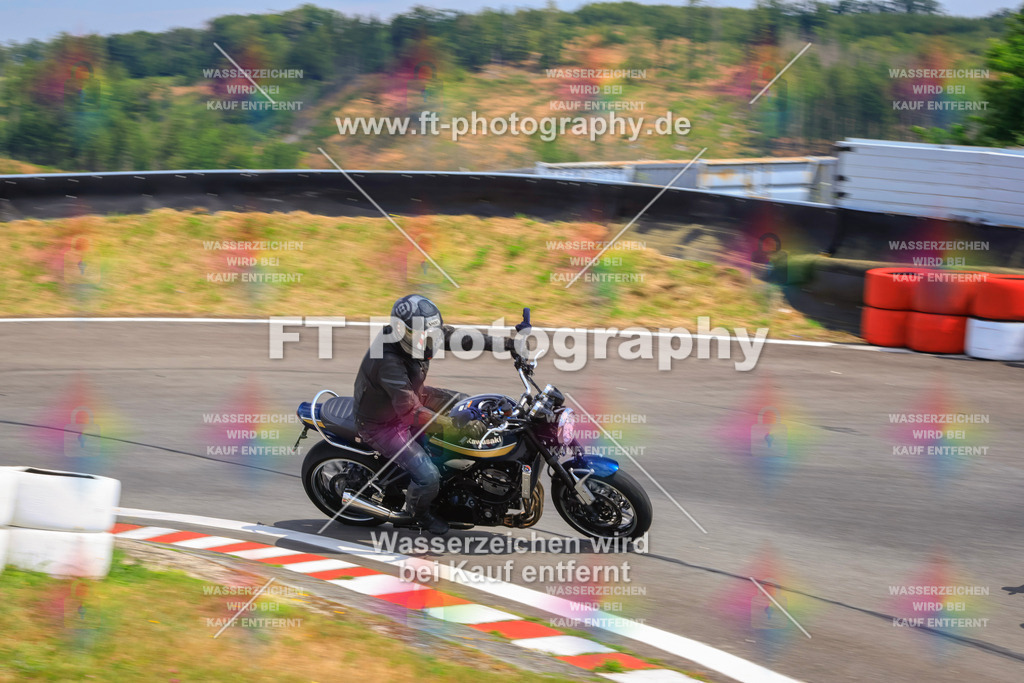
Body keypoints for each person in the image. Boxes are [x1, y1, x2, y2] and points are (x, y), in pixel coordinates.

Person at [353, 294, 522, 535]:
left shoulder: (421, 336)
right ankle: (418, 514)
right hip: (384, 424)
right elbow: (411, 413)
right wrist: (454, 426)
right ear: (402, 331)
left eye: (432, 334)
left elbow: (461, 339)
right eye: (422, 335)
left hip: (408, 396)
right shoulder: (387, 360)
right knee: (428, 476)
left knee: (467, 403)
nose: (430, 340)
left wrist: (509, 344)